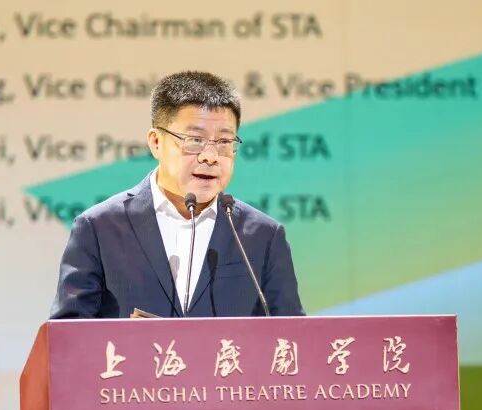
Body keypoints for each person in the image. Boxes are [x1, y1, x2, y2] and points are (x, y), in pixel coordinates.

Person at [50, 71, 304, 318]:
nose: (210, 156)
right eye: (194, 140)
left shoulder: (263, 236)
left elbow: (292, 336)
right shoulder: (100, 227)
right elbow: (69, 335)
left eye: (224, 142)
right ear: (155, 142)